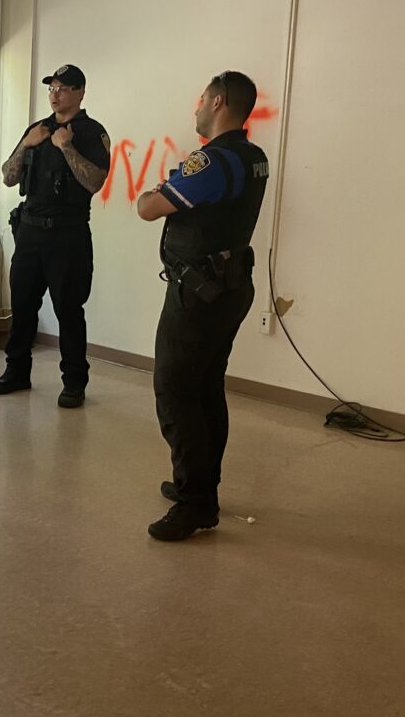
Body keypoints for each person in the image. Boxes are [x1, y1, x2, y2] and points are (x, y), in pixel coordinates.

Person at [136, 71, 269, 541]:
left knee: (175, 390)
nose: (195, 108)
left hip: (198, 295)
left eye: (200, 100)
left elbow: (150, 208)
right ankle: (201, 486)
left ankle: (196, 503)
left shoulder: (211, 161)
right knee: (206, 387)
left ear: (217, 101)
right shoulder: (253, 157)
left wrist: (149, 192)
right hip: (228, 288)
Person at [0, 64, 111, 408]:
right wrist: (26, 145)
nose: (55, 94)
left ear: (80, 92)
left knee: (69, 311)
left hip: (67, 236)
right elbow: (8, 177)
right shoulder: (37, 129)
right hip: (29, 233)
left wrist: (67, 149)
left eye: (63, 88)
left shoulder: (91, 132)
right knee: (23, 307)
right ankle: (16, 373)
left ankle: (74, 383)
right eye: (52, 88)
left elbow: (95, 182)